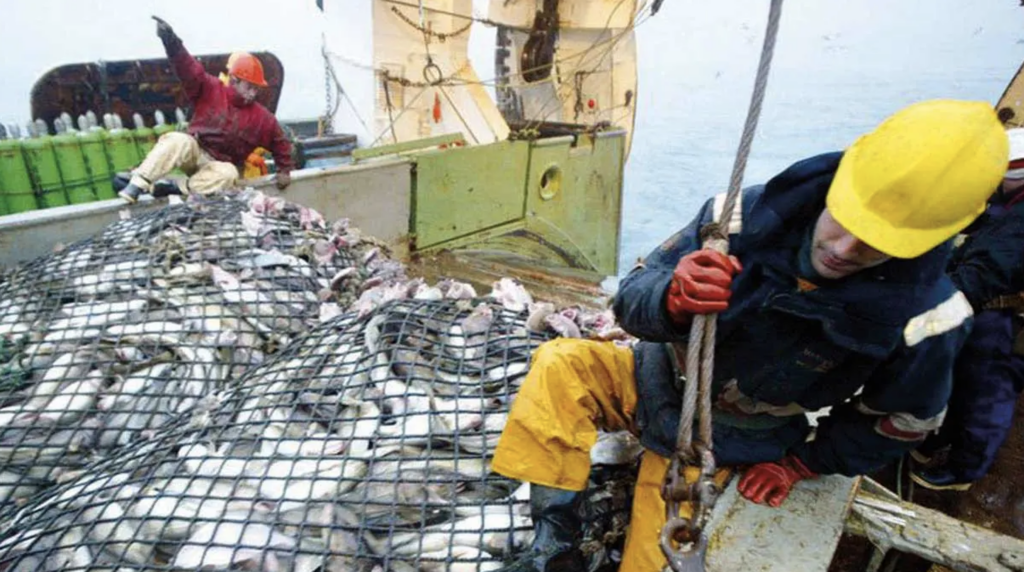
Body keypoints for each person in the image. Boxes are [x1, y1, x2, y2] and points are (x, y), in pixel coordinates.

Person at [492, 99, 1009, 572]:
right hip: (652, 379)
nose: (844, 249)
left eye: (876, 244)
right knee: (561, 364)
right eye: (843, 220)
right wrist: (670, 298)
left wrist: (803, 463)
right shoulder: (737, 216)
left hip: (729, 440)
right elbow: (633, 295)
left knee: (658, 563)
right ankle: (554, 545)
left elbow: (904, 420)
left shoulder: (931, 317)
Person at [910, 128, 1024, 491]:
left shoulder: (1019, 220)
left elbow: (991, 267)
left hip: (1005, 322)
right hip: (984, 313)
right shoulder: (1007, 205)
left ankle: (964, 470)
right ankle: (941, 440)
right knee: (960, 381)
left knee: (986, 396)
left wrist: (930, 306)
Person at [119, 17, 293, 204]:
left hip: (219, 168)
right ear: (234, 80)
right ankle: (138, 183)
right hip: (196, 150)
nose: (253, 93)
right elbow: (187, 68)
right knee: (177, 140)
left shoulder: (263, 119)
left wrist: (284, 171)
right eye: (249, 87)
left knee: (229, 173)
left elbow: (279, 142)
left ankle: (177, 188)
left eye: (257, 89)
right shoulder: (211, 88)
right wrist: (171, 41)